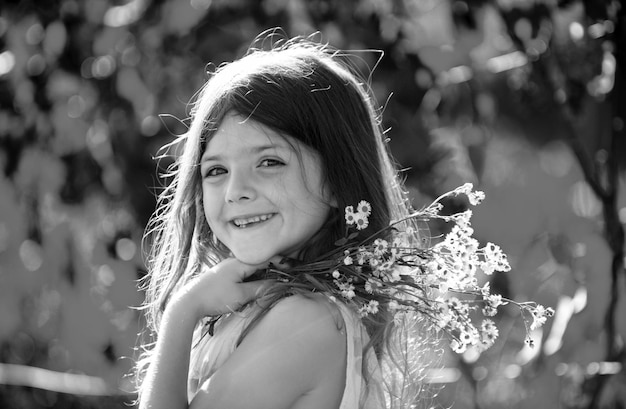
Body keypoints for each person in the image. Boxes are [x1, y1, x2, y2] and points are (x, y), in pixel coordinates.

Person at [134, 32, 446, 409]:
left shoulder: (305, 322)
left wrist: (181, 313)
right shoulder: (282, 308)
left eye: (269, 162)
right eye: (216, 170)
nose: (236, 191)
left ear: (336, 180)